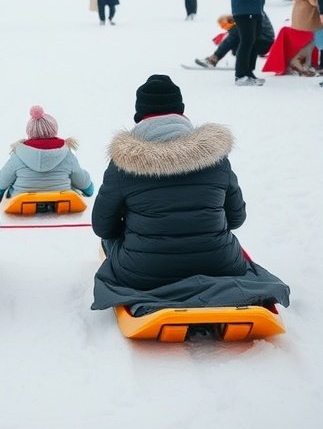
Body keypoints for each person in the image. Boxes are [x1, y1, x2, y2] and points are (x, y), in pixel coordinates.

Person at [91, 75, 289, 311]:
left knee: (109, 240)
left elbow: (103, 227)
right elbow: (236, 219)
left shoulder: (123, 164)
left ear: (139, 116)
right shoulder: (215, 157)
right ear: (181, 110)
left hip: (144, 273)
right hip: (220, 264)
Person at [0, 105, 94, 201]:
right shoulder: (66, 153)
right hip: (61, 199)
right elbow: (83, 182)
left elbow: (1, 182)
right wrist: (89, 190)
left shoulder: (19, 154)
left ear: (30, 131)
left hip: (21, 200)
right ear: (53, 129)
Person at [287, 0, 323, 76]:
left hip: (302, 12)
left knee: (312, 40)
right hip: (308, 13)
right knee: (313, 40)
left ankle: (304, 65)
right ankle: (297, 61)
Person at [196, 12, 275, 68]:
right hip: (263, 40)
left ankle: (214, 58)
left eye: (225, 25)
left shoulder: (249, 11)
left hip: (264, 41)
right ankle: (239, 62)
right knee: (236, 36)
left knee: (234, 36)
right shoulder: (252, 9)